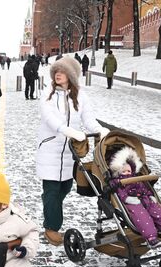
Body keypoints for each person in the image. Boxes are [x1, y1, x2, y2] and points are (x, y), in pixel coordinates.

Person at [35, 57, 109, 245]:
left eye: (63, 71)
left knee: (65, 187)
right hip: (51, 148)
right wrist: (66, 130)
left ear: (72, 75)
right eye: (56, 71)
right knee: (52, 190)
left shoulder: (81, 96)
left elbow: (89, 119)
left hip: (71, 152)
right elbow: (49, 118)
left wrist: (99, 130)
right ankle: (51, 226)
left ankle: (51, 209)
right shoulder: (47, 93)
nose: (58, 74)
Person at [108, 146, 161, 248]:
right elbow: (119, 193)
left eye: (129, 171)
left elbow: (144, 188)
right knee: (143, 218)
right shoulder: (116, 182)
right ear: (118, 171)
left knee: (159, 212)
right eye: (124, 171)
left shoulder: (137, 178)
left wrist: (150, 196)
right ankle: (151, 237)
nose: (127, 173)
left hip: (145, 199)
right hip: (132, 202)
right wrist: (127, 198)